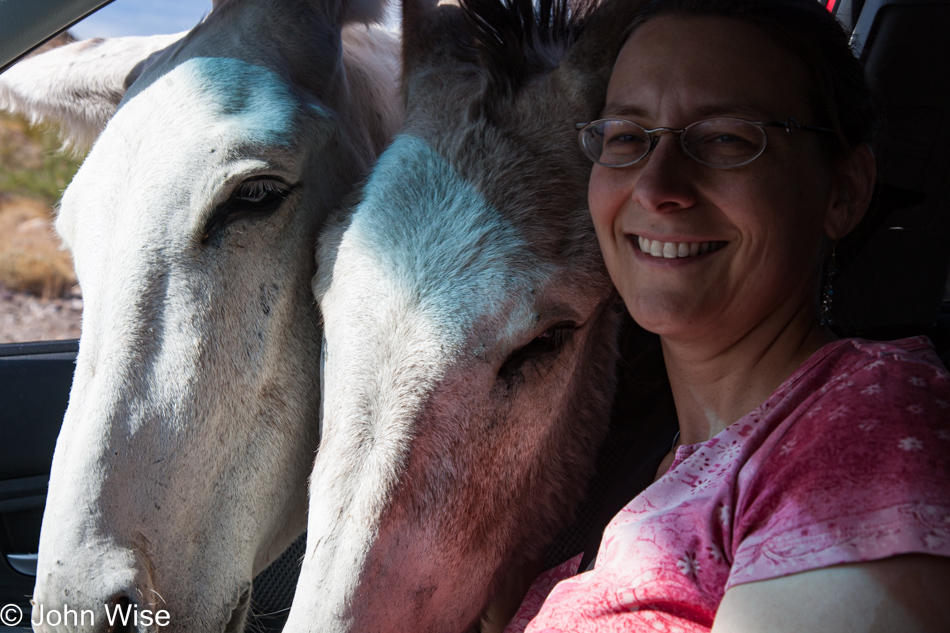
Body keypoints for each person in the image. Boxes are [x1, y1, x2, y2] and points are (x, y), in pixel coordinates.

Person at [504, 0, 950, 631]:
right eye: (628, 137)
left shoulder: (870, 419)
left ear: (843, 192)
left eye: (725, 139)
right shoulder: (628, 451)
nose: (657, 186)